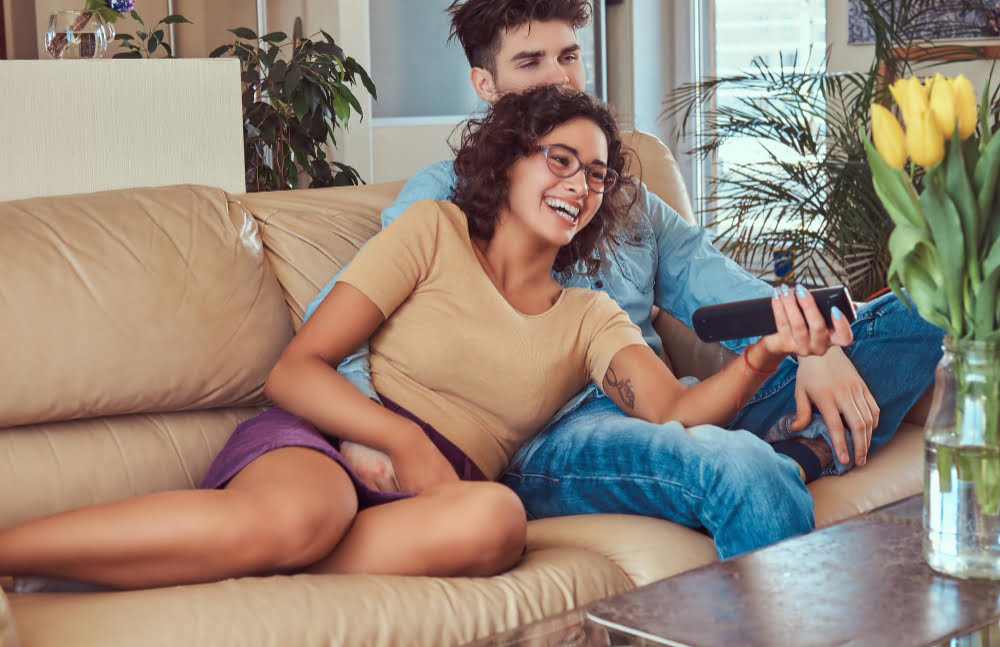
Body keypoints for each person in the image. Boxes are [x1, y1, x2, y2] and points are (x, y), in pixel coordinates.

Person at [0, 86, 851, 589]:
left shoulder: (589, 315)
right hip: (336, 437)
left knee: (496, 518)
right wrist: (395, 437)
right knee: (311, 507)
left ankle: (280, 557)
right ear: (509, 160)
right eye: (560, 159)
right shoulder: (433, 232)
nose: (581, 185)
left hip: (447, 495)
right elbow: (296, 370)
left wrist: (763, 352)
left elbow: (675, 409)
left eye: (596, 175)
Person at [310, 0, 946, 559]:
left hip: (669, 400)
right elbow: (340, 320)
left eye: (569, 55)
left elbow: (723, 291)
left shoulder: (624, 195)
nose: (558, 77)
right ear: (486, 85)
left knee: (934, 306)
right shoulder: (441, 195)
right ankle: (774, 460)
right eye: (530, 61)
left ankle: (796, 454)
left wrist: (813, 346)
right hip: (558, 432)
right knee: (736, 467)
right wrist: (371, 428)